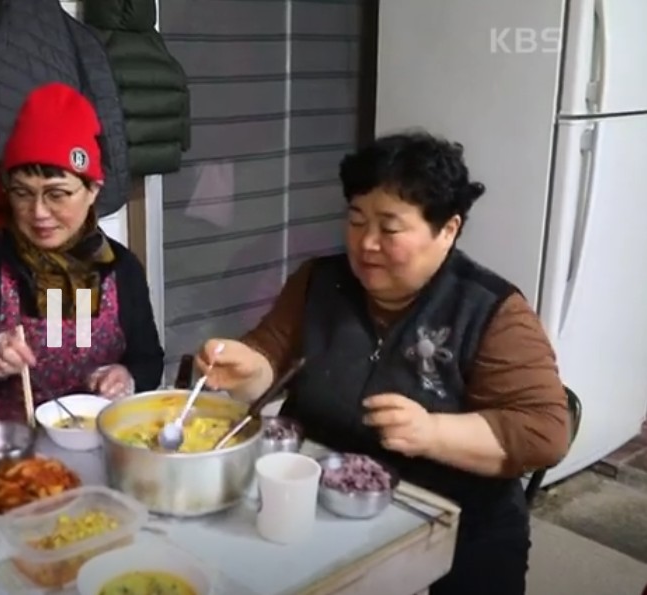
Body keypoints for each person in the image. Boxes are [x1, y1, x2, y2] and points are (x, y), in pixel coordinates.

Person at [196, 132, 570, 595]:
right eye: (356, 220)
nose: (366, 243)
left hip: (457, 523)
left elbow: (544, 431)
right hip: (319, 505)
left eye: (389, 229)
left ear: (448, 230)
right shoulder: (320, 281)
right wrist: (249, 368)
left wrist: (433, 433)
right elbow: (270, 355)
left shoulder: (490, 309)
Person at [0, 82, 164, 452]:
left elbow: (149, 361)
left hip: (86, 451)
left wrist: (126, 377)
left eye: (57, 194)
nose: (39, 213)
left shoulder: (120, 269)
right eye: (22, 193)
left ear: (93, 189)